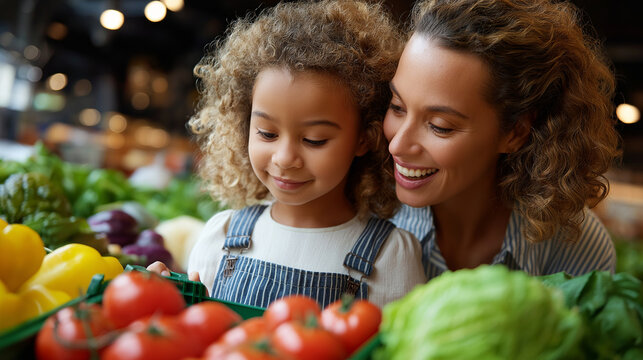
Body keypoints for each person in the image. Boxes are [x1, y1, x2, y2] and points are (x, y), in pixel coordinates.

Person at [149, 0, 426, 308]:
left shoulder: (389, 256)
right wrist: (163, 302)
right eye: (267, 134)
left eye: (314, 139)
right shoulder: (221, 238)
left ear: (365, 138)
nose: (284, 158)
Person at [387, 0, 621, 280]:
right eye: (397, 107)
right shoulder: (366, 216)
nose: (397, 145)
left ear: (515, 133)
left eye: (440, 126)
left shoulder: (575, 249)